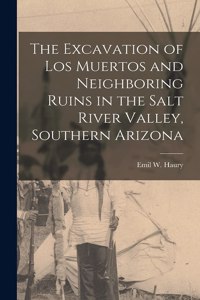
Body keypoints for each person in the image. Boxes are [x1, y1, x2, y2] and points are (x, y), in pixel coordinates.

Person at [62, 180, 125, 300]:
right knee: (86, 273)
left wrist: (116, 216)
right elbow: (64, 188)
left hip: (101, 232)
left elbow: (119, 197)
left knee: (101, 274)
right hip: (81, 230)